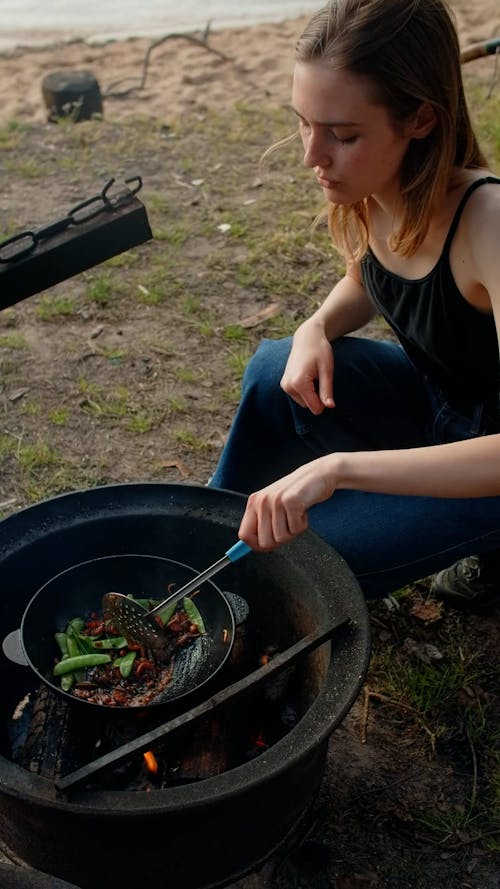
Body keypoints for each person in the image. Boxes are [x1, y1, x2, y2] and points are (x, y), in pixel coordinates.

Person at [209, 0, 500, 613]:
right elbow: (371, 277)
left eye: (343, 135)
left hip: (487, 466)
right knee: (275, 367)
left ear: (420, 119)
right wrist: (314, 326)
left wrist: (343, 468)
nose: (312, 157)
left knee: (312, 561)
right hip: (438, 412)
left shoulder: (488, 226)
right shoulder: (379, 184)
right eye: (304, 124)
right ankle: (208, 540)